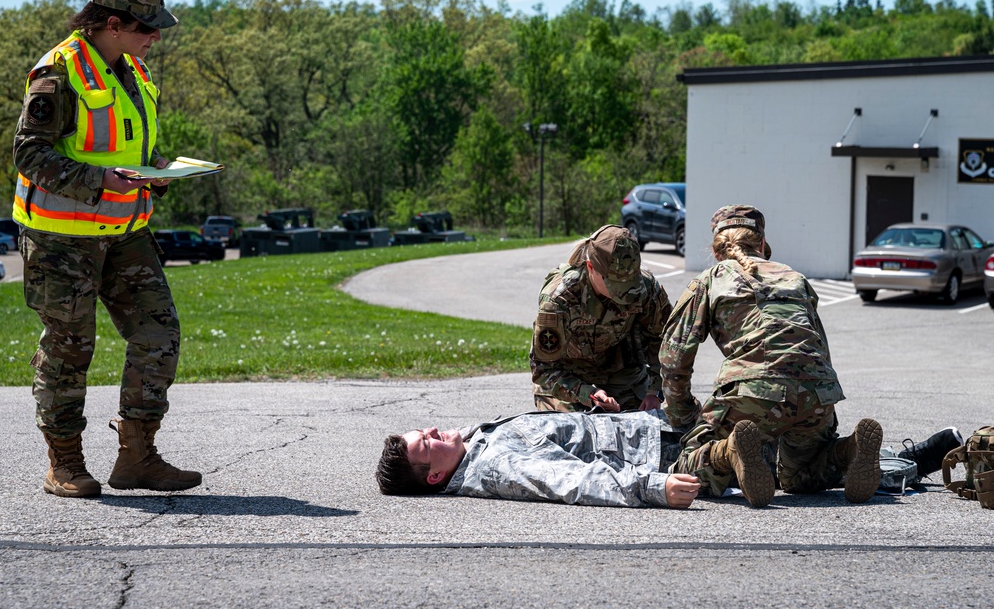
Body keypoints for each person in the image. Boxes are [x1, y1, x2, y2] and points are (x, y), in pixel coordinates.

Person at [13, 0, 201, 498]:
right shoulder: (58, 72)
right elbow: (29, 155)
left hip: (126, 232)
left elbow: (122, 145)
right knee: (71, 350)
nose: (155, 37)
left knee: (158, 336)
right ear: (112, 24)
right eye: (147, 27)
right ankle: (65, 464)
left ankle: (137, 457)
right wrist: (101, 180)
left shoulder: (131, 71)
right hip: (61, 240)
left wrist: (157, 170)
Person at [659, 205, 882, 508]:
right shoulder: (795, 278)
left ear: (716, 249)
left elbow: (675, 355)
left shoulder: (709, 280)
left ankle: (731, 450)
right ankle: (847, 451)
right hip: (817, 391)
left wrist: (681, 413)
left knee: (688, 469)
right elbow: (820, 348)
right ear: (762, 244)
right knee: (801, 477)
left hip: (753, 392)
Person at [375, 410, 701, 509]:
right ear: (435, 477)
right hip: (661, 451)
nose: (433, 430)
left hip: (653, 426)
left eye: (423, 430)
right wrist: (654, 487)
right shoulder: (494, 466)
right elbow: (569, 479)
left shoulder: (472, 446)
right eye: (428, 443)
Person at [530, 225, 672, 413]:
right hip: (568, 381)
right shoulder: (560, 298)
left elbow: (664, 341)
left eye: (630, 281)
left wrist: (655, 391)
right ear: (591, 267)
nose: (625, 291)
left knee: (645, 429)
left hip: (622, 377)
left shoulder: (645, 288)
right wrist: (587, 393)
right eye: (614, 283)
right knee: (573, 432)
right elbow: (543, 369)